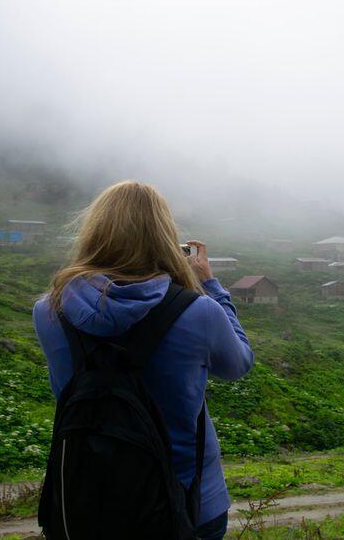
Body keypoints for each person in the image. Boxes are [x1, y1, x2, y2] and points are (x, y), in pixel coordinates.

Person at [33, 180, 254, 539]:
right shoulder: (200, 311)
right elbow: (238, 363)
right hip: (188, 505)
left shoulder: (49, 311)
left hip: (85, 499)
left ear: (94, 234)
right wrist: (211, 286)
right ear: (166, 239)